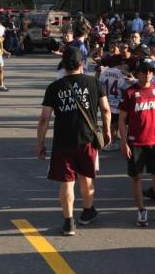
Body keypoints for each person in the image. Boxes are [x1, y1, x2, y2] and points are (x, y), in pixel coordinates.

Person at [37, 47, 112, 236]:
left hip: (63, 141)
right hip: (88, 139)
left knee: (66, 182)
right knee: (87, 178)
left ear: (63, 64)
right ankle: (87, 212)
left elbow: (44, 119)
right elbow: (105, 110)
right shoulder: (94, 82)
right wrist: (108, 131)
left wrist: (40, 143)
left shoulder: (54, 87)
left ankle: (68, 222)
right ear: (82, 64)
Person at [118, 62, 155, 227]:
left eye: (150, 72)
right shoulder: (130, 93)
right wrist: (123, 142)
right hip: (135, 143)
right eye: (144, 72)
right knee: (137, 178)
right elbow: (122, 120)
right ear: (137, 74)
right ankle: (141, 211)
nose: (147, 75)